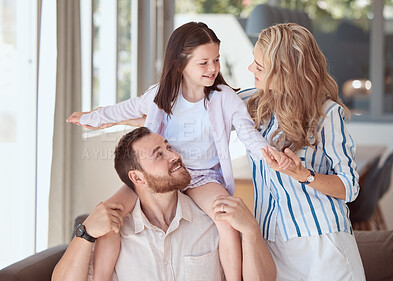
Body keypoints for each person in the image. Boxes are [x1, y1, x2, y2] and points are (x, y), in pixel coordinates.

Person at [66, 22, 285, 281]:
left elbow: (248, 133)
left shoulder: (224, 98)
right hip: (161, 173)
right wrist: (93, 117)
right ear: (180, 64)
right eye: (203, 63)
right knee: (110, 215)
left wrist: (267, 153)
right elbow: (127, 109)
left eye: (216, 60)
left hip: (202, 177)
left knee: (225, 221)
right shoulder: (162, 95)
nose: (213, 68)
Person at [51, 127, 276, 281]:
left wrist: (251, 231)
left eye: (168, 147)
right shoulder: (115, 235)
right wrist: (86, 232)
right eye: (159, 155)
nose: (174, 156)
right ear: (137, 178)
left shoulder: (214, 220)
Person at [240, 23, 365, 280]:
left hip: (321, 242)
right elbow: (193, 103)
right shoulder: (252, 104)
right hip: (271, 241)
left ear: (284, 71)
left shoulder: (327, 114)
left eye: (259, 66)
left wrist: (303, 174)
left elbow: (349, 187)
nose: (250, 69)